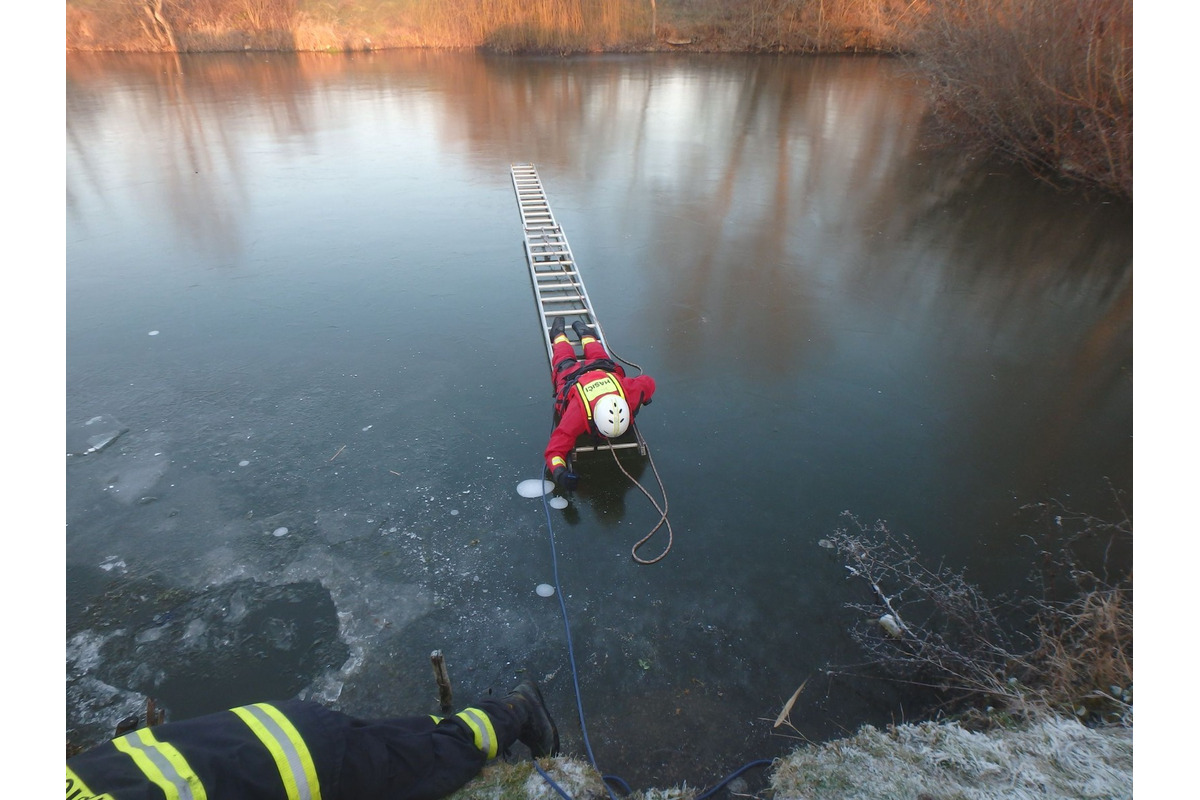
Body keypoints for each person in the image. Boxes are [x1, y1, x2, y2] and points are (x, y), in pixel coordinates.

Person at [66, 679, 559, 800]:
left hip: (304, 767)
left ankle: (515, 710)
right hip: (253, 731)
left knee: (439, 761)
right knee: (397, 748)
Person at [545, 317, 656, 490]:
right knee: (563, 358)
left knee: (594, 356)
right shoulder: (578, 413)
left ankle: (584, 335)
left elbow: (647, 384)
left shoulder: (630, 394)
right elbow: (555, 450)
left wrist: (644, 397)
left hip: (601, 369)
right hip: (575, 375)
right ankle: (560, 335)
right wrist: (560, 473)